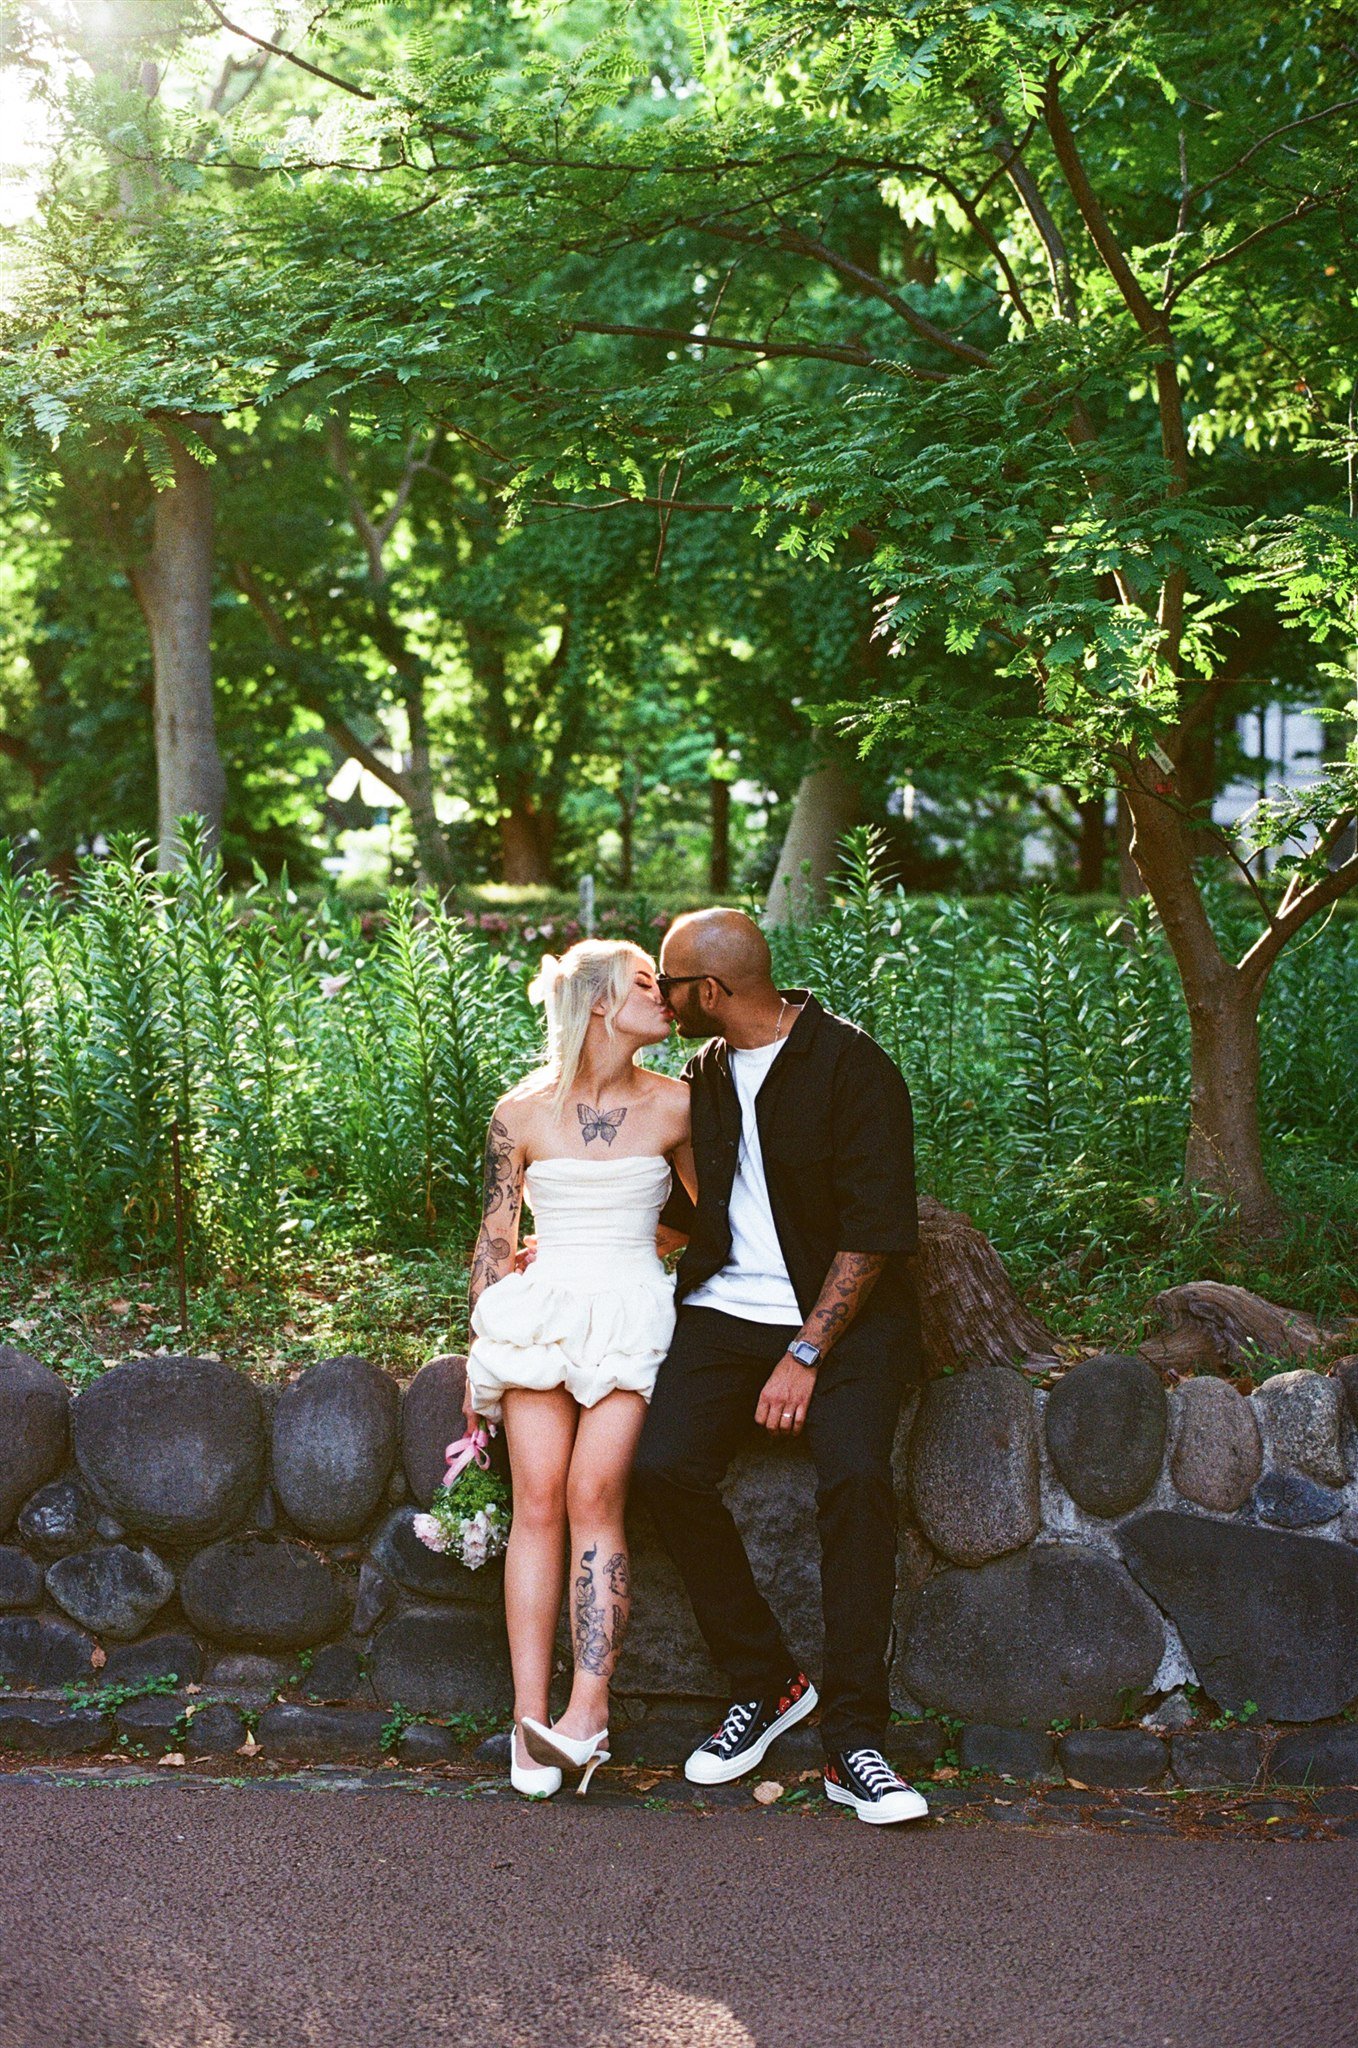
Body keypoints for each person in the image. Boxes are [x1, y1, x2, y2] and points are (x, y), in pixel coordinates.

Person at [635, 908, 929, 1825]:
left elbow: (876, 1235)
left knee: (853, 1480)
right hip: (726, 1311)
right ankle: (767, 1683)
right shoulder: (707, 1074)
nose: (662, 994)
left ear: (711, 991)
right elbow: (699, 1208)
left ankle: (855, 1741)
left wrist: (805, 1351)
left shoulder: (854, 1069)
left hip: (845, 1324)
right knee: (660, 1467)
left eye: (670, 982)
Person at [462, 940, 694, 1798]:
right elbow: (490, 1247)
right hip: (543, 1314)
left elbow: (711, 1225)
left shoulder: (678, 1107)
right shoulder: (519, 1114)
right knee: (537, 1498)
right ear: (600, 1002)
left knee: (596, 1492)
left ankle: (587, 1713)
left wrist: (643, 1243)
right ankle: (529, 1719)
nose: (665, 996)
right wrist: (478, 1356)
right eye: (645, 984)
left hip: (632, 1311)